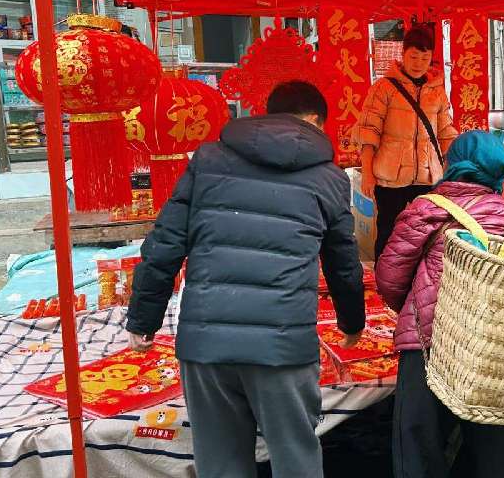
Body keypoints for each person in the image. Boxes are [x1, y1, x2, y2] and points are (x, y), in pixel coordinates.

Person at [126, 81, 365, 478]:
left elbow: (164, 244)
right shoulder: (330, 178)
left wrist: (142, 318)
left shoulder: (207, 160)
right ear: (314, 121)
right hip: (283, 347)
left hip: (207, 342)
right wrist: (352, 322)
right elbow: (343, 264)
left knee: (221, 464)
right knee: (296, 461)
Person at [376, 130, 504, 478]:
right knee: (495, 444)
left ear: (453, 164)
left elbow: (389, 277)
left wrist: (416, 304)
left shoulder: (426, 208)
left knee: (419, 444)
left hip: (428, 342)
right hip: (494, 346)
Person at [354, 25, 458, 260]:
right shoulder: (384, 88)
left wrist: (452, 170)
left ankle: (420, 276)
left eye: (425, 58)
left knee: (428, 232)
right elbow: (368, 132)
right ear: (402, 54)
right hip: (391, 177)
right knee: (388, 230)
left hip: (428, 175)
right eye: (413, 56)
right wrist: (368, 173)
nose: (419, 63)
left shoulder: (437, 92)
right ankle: (384, 276)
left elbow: (445, 133)